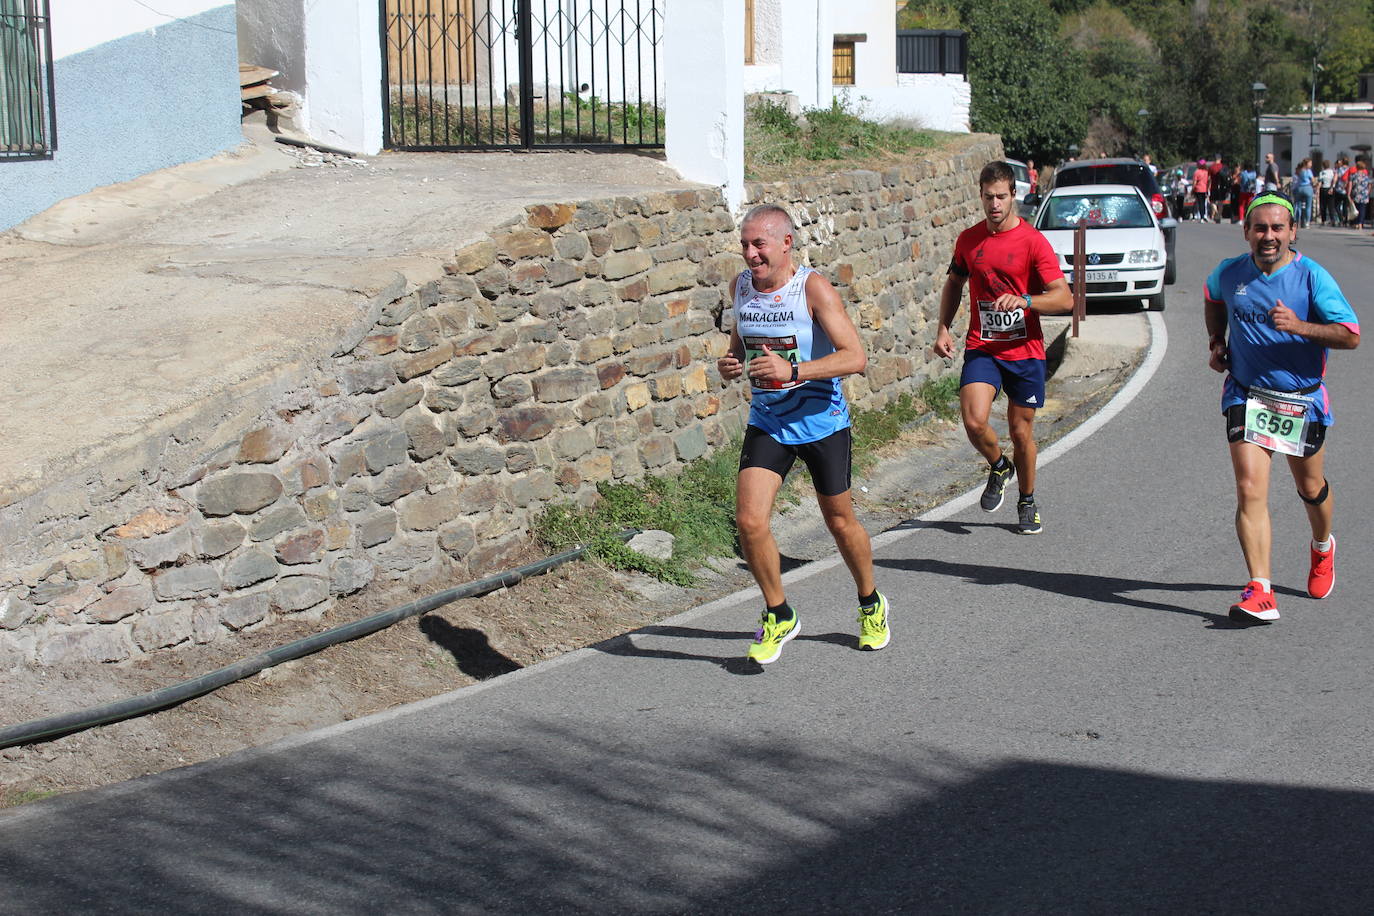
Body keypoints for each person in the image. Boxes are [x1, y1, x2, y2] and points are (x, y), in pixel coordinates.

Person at [718, 204, 889, 664]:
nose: (750, 254)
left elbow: (855, 357)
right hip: (769, 421)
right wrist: (732, 362)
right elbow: (741, 342)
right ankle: (779, 613)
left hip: (821, 422)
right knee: (750, 521)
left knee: (840, 522)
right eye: (745, 245)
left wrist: (794, 370)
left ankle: (870, 602)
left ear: (786, 243)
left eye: (759, 244)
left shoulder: (812, 288)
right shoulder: (740, 287)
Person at [1203, 192, 1360, 622]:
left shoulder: (1312, 278)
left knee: (1310, 488)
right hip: (1247, 393)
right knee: (1249, 487)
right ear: (1246, 232)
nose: (1268, 236)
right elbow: (1212, 297)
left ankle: (1322, 545)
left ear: (1293, 231)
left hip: (1300, 401)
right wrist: (1216, 341)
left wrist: (1299, 326)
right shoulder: (1229, 272)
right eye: (1260, 228)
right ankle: (1261, 590)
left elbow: (1350, 335)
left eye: (1277, 228)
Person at [934, 161, 1073, 535]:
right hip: (984, 347)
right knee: (974, 420)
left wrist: (1026, 300)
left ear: (1014, 195)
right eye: (988, 197)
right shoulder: (969, 240)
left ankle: (1027, 500)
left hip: (1025, 351)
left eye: (1000, 197)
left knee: (1021, 432)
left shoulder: (1032, 242)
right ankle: (999, 465)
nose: (994, 204)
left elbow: (1064, 299)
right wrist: (943, 327)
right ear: (980, 196)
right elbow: (954, 283)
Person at [1292, 157, 1315, 228]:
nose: (1311, 165)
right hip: (1307, 187)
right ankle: (1307, 222)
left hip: (1300, 188)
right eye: (1310, 163)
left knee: (1298, 205)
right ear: (1307, 164)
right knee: (1308, 206)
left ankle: (1297, 221)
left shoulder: (1300, 170)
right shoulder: (1308, 171)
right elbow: (1312, 180)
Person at [1318, 159, 1335, 226]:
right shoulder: (1332, 172)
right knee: (1331, 206)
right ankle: (1332, 219)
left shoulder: (1322, 172)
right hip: (1330, 188)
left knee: (1323, 205)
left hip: (1323, 189)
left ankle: (1323, 220)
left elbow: (1320, 182)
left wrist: (1317, 190)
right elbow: (1334, 180)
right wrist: (1332, 187)